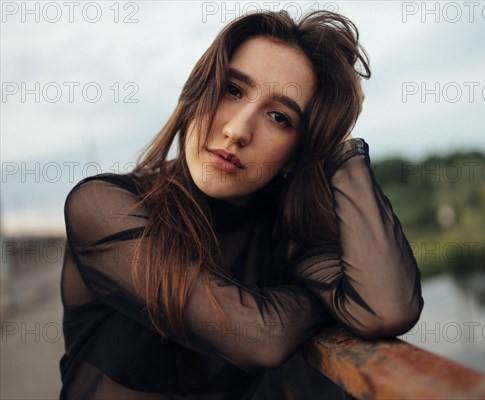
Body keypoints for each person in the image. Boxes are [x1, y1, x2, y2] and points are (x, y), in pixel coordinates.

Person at [59, 9, 424, 400]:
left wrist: (340, 142)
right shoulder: (103, 207)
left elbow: (387, 308)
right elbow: (259, 337)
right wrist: (324, 303)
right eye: (232, 90)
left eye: (279, 117)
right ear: (198, 91)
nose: (236, 131)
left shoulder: (281, 234)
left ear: (296, 154)